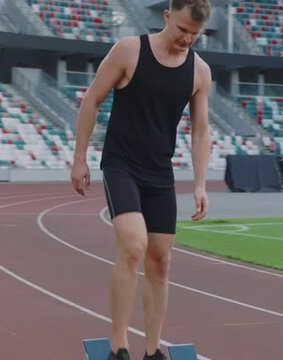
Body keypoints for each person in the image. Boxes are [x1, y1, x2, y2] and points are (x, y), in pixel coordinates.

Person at [70, 1, 212, 359]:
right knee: (133, 246)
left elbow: (200, 131)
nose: (186, 39)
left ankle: (152, 351)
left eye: (194, 35)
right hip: (122, 165)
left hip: (159, 172)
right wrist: (79, 158)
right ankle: (119, 345)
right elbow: (92, 100)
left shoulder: (199, 71)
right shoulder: (129, 51)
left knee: (161, 261)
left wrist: (200, 184)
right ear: (166, 17)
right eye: (182, 30)